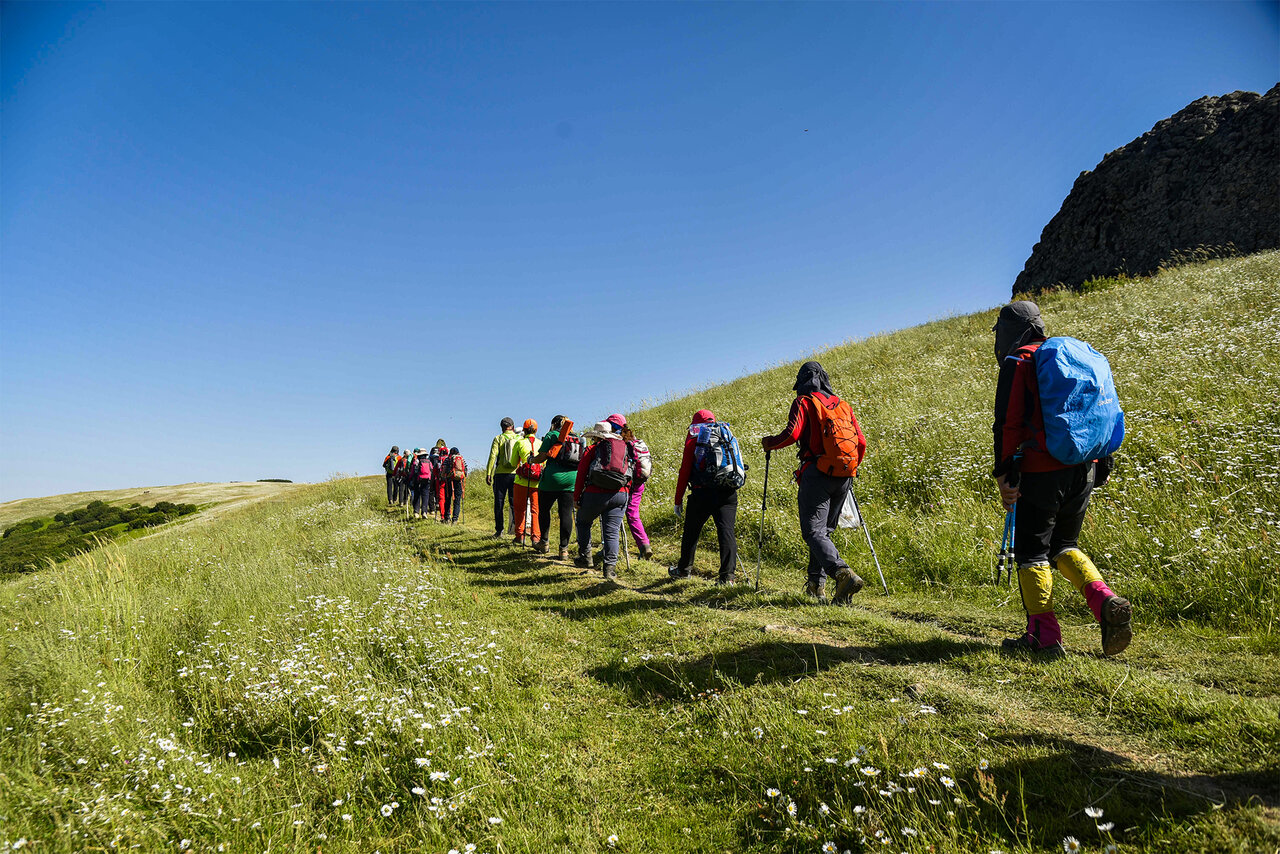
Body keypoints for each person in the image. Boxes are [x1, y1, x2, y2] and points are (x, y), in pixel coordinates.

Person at [992, 300, 1132, 659]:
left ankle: (1044, 637)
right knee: (1064, 546)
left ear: (1011, 332)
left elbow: (1007, 422)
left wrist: (1004, 472)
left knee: (1032, 553)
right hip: (1084, 466)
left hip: (1040, 471)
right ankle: (1105, 602)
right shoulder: (1075, 354)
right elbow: (1105, 408)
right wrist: (1103, 460)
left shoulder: (1019, 360)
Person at [761, 361, 867, 602]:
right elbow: (861, 442)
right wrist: (851, 467)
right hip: (845, 475)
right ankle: (816, 587)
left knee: (813, 532)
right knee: (824, 533)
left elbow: (792, 434)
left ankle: (842, 573)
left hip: (817, 473)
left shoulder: (804, 402)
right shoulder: (843, 405)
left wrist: (769, 443)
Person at [669, 409, 740, 584]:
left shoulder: (695, 439)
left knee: (691, 532)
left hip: (703, 492)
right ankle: (728, 578)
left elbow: (684, 471)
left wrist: (678, 501)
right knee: (726, 532)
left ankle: (684, 570)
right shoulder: (726, 436)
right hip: (728, 491)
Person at [573, 421, 632, 580]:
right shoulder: (623, 447)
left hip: (595, 494)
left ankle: (586, 557)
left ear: (596, 437)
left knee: (583, 522)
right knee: (611, 532)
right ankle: (609, 569)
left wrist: (576, 497)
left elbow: (581, 474)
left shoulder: (592, 449)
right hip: (620, 494)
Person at [607, 414, 654, 561]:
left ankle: (608, 548)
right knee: (633, 515)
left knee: (613, 514)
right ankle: (644, 545)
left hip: (624, 483)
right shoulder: (636, 441)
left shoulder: (619, 443)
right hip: (639, 483)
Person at [531, 415, 579, 559]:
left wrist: (531, 460)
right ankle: (564, 549)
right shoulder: (575, 438)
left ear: (554, 424)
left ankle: (544, 542)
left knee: (544, 510)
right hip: (571, 480)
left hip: (552, 479)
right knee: (566, 513)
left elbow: (542, 457)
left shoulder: (552, 435)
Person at [485, 418, 520, 538]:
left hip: (500, 474)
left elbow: (492, 456)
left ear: (502, 427)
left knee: (498, 503)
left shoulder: (498, 438)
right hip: (515, 474)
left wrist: (489, 473)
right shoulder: (519, 438)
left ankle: (499, 530)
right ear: (513, 427)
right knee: (514, 502)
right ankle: (517, 530)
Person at [511, 420, 542, 545]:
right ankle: (536, 537)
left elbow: (513, 463)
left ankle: (520, 536)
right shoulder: (541, 443)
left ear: (524, 430)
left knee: (520, 509)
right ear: (536, 430)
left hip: (521, 481)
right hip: (537, 482)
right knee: (536, 510)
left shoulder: (519, 443)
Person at [444, 446, 466, 523]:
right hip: (459, 481)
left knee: (448, 499)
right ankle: (455, 519)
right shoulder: (462, 459)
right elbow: (465, 469)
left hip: (450, 480)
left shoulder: (448, 459)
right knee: (457, 500)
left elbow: (444, 469)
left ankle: (447, 518)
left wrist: (443, 476)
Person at [411, 448, 432, 519]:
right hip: (427, 480)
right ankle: (424, 512)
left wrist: (410, 479)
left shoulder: (416, 461)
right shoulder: (429, 461)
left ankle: (416, 512)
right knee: (425, 496)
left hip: (418, 480)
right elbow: (431, 470)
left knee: (417, 495)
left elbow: (413, 471)